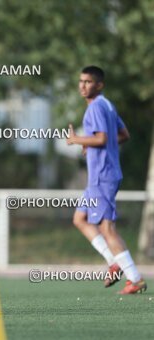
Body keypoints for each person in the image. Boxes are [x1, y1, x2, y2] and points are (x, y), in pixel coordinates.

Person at [67, 65, 146, 294]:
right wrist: (89, 145)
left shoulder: (95, 108)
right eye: (81, 81)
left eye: (88, 82)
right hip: (100, 176)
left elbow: (101, 139)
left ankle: (134, 278)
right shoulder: (108, 106)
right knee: (80, 218)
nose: (83, 85)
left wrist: (77, 140)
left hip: (103, 176)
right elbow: (123, 135)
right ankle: (114, 262)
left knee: (106, 228)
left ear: (99, 85)